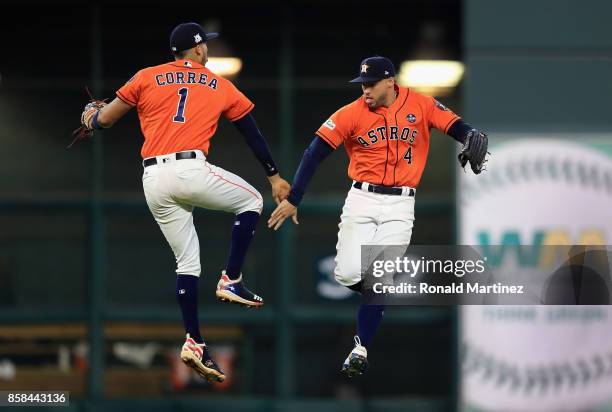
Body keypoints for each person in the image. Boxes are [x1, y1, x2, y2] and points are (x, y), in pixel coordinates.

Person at [79, 22, 291, 383]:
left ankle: (194, 340)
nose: (206, 50)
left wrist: (92, 117)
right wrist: (273, 175)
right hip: (189, 168)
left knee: (187, 260)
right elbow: (250, 130)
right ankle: (231, 279)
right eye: (204, 46)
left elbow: (107, 119)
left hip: (153, 180)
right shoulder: (219, 83)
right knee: (252, 200)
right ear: (197, 50)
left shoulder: (146, 76)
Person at [268, 56, 488, 377]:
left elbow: (457, 126)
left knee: (378, 274)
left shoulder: (421, 104)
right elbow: (314, 152)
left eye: (371, 84)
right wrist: (294, 198)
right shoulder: (351, 113)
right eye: (362, 84)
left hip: (401, 204)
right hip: (362, 198)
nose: (366, 90)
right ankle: (379, 294)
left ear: (390, 82)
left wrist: (470, 136)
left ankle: (360, 348)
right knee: (345, 274)